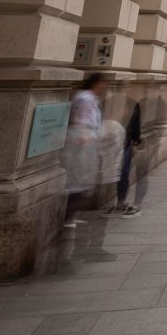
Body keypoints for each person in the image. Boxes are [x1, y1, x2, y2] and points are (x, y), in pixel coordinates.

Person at [63, 74, 107, 227]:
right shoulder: (85, 98)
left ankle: (72, 216)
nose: (104, 86)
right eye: (102, 83)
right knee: (77, 177)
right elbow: (79, 119)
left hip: (86, 141)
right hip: (81, 142)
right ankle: (68, 217)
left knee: (82, 178)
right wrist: (83, 135)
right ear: (95, 83)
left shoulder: (91, 98)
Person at [113, 96, 145, 217]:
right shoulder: (115, 100)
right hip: (114, 141)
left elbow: (135, 125)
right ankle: (120, 201)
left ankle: (121, 202)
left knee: (123, 172)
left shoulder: (132, 103)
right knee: (121, 172)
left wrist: (135, 143)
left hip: (125, 143)